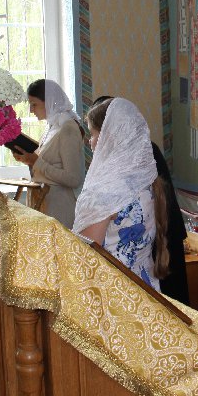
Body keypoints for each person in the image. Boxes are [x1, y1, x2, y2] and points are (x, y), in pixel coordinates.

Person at [92, 95, 189, 305]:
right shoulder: (139, 165)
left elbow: (89, 247)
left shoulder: (141, 157)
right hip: (144, 267)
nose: (90, 141)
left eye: (93, 133)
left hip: (152, 249)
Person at [73, 98, 169, 290]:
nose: (90, 142)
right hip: (145, 287)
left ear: (108, 137)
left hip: (114, 292)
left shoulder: (105, 191)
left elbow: (84, 256)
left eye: (92, 134)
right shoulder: (147, 183)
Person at [11, 79, 86, 229]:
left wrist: (36, 162)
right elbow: (45, 165)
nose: (31, 110)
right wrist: (28, 160)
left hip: (59, 208)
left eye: (34, 104)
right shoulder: (51, 127)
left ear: (49, 102)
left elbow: (74, 178)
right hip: (44, 202)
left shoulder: (68, 128)